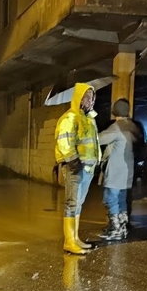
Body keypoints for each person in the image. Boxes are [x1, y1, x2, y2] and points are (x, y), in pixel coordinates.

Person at [55, 83, 101, 255]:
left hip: (87, 168)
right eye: (86, 96)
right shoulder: (70, 117)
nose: (90, 100)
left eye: (92, 97)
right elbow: (64, 141)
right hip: (75, 167)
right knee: (72, 203)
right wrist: (74, 161)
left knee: (78, 204)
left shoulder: (89, 118)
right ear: (78, 98)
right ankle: (69, 242)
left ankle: (75, 239)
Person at [98, 99, 142, 241]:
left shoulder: (116, 127)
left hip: (116, 170)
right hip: (128, 170)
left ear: (114, 111)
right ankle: (122, 228)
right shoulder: (132, 127)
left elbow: (99, 139)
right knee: (122, 199)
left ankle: (115, 229)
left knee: (111, 199)